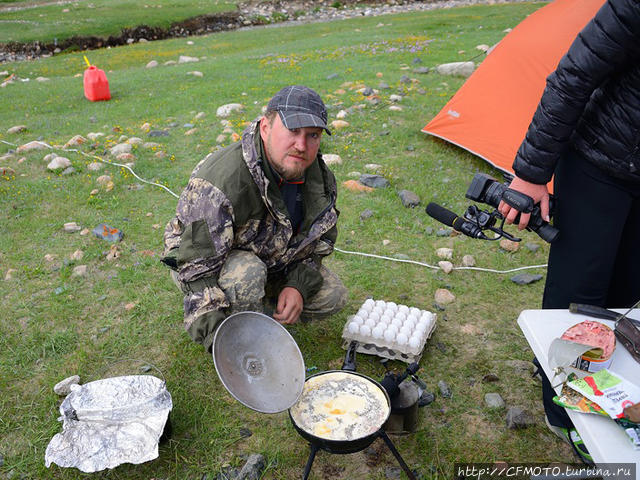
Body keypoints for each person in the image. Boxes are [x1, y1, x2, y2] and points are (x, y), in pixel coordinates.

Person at [498, 0, 640, 463]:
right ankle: (564, 413)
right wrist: (531, 174)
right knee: (580, 293)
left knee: (627, 298)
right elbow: (574, 75)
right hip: (598, 159)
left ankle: (610, 406)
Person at [161, 85, 348, 351]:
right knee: (247, 274)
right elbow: (195, 269)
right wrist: (221, 345)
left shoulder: (319, 178)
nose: (301, 145)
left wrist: (297, 286)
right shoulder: (220, 183)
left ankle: (260, 310)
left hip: (271, 256)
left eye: (313, 135)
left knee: (332, 295)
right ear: (265, 128)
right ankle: (240, 329)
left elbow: (319, 244)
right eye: (293, 131)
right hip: (206, 263)